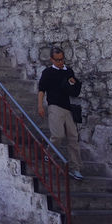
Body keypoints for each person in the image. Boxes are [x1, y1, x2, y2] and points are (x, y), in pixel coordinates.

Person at [37, 46, 84, 180]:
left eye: (62, 59)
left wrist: (74, 83)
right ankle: (49, 153)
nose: (60, 62)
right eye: (57, 60)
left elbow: (74, 90)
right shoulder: (47, 72)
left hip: (67, 107)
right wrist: (40, 106)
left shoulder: (68, 71)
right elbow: (41, 90)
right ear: (52, 59)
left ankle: (76, 168)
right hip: (54, 106)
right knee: (57, 135)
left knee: (73, 137)